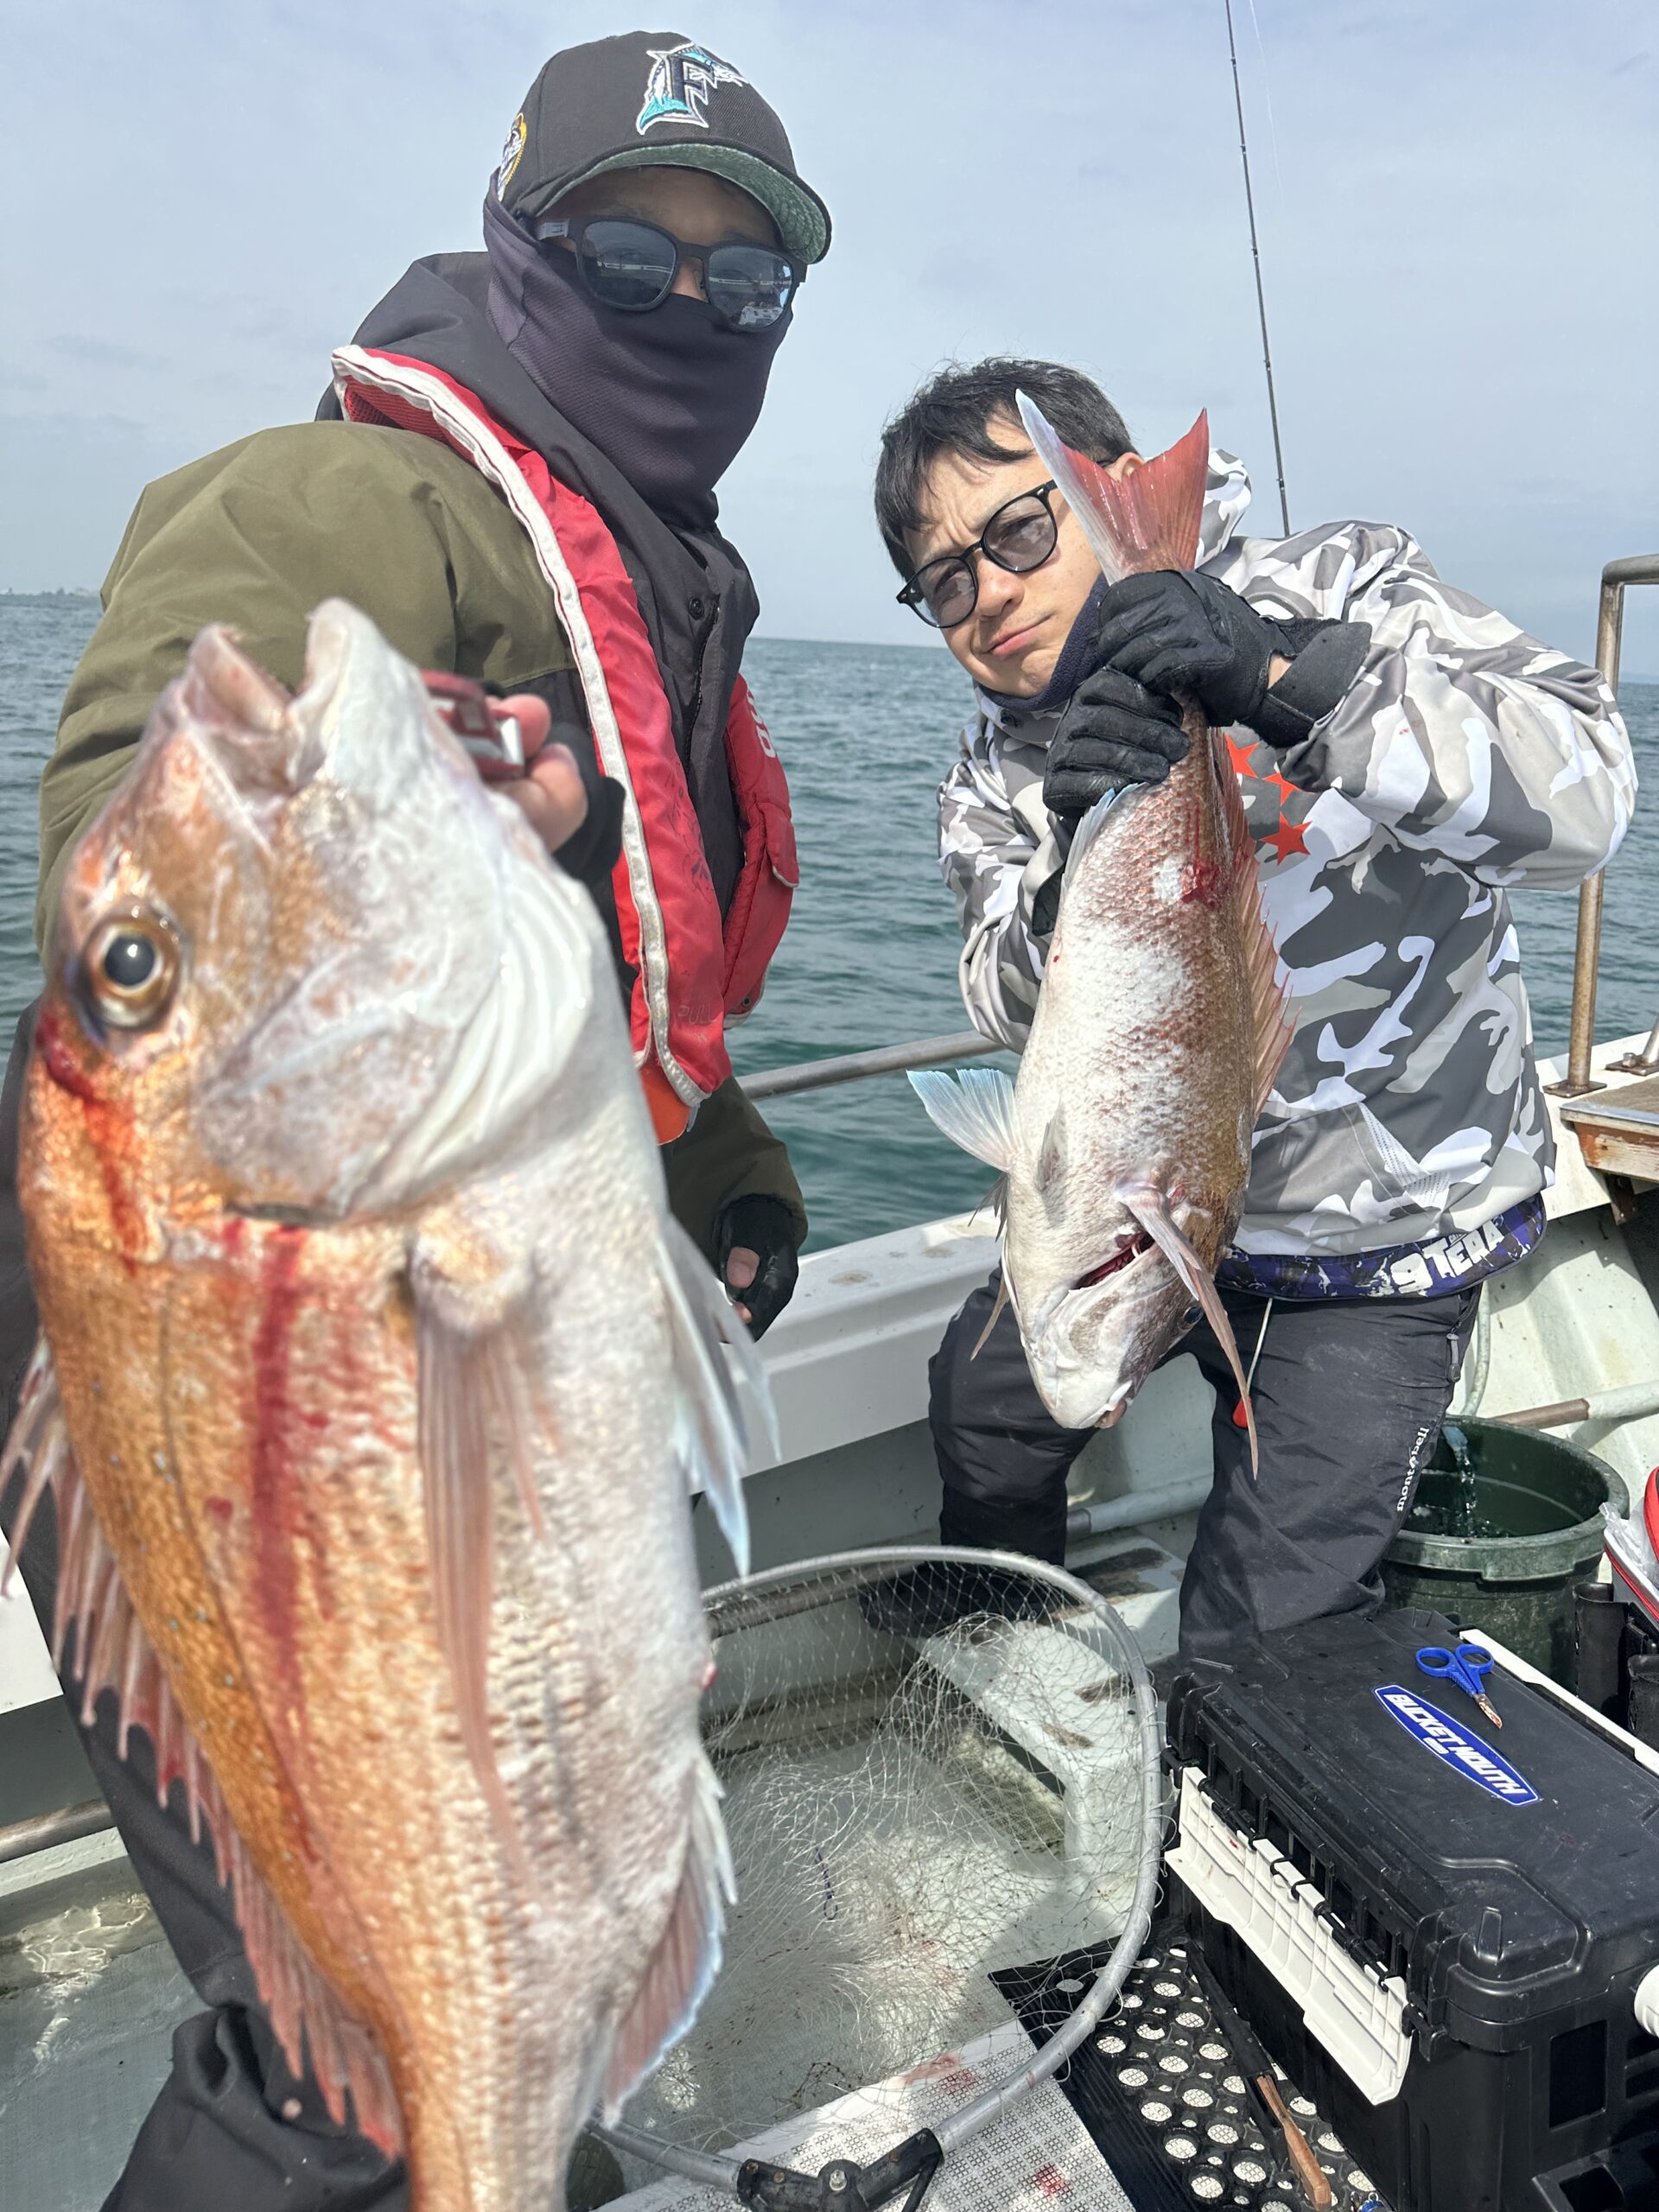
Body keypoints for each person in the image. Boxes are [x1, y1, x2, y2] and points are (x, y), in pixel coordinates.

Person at [0, 32, 829, 2209]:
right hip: (246, 1350)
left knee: (495, 1955)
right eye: (627, 256)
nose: (686, 308)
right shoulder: (362, 498)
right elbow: (139, 834)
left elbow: (576, 995)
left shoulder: (665, 575)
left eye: (741, 279)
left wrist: (723, 1173)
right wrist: (354, 830)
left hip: (399, 1280)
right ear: (514, 250)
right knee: (333, 2063)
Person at [874, 355, 1635, 1657]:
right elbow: (1001, 991)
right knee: (986, 1411)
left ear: (1111, 489)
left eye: (1017, 531)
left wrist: (1288, 676)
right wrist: (1067, 871)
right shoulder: (997, 768)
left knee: (1257, 1637)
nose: (987, 593)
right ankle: (1002, 1639)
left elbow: (1590, 794)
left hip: (1374, 1241)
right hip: (1141, 1219)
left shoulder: (1346, 584)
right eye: (944, 581)